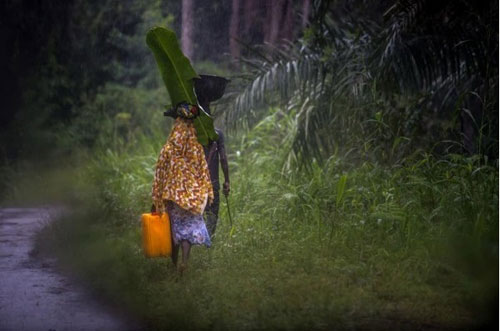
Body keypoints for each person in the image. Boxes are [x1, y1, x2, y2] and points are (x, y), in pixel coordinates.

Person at [151, 108, 213, 273]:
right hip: (193, 198)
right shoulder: (197, 149)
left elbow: (160, 174)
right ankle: (184, 262)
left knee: (174, 230)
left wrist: (156, 199)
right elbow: (204, 172)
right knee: (188, 231)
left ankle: (173, 265)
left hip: (174, 196)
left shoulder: (168, 149)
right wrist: (207, 193)